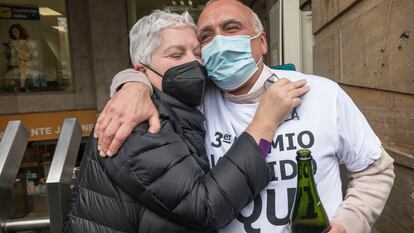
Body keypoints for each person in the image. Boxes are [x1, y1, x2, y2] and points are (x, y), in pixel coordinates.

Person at [98, 1, 395, 233]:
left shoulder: (322, 93)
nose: (220, 41)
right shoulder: (195, 104)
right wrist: (131, 84)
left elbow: (375, 170)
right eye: (207, 36)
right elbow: (154, 77)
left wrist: (348, 223)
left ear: (262, 42)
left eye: (231, 28)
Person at [64, 10, 309, 233]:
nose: (192, 63)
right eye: (176, 54)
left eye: (198, 53)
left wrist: (131, 83)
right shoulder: (135, 123)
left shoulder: (182, 104)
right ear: (143, 70)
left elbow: (250, 76)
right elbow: (206, 207)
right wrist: (265, 120)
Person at [4, 24, 34, 91]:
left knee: (21, 87)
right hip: (11, 68)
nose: (13, 33)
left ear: (20, 31)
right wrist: (8, 50)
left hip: (22, 69)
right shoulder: (11, 41)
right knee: (10, 87)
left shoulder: (28, 43)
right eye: (12, 32)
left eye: (15, 31)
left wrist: (16, 49)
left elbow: (29, 57)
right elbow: (7, 57)